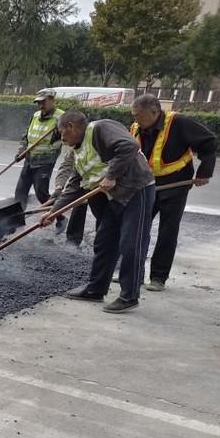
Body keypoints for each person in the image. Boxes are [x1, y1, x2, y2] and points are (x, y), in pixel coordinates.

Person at [43, 111, 155, 314]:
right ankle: (96, 289)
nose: (62, 138)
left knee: (131, 242)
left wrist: (111, 176)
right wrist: (53, 212)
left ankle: (129, 296)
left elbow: (129, 146)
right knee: (104, 241)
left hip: (136, 190)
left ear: (71, 126)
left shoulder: (101, 128)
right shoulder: (79, 150)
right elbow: (76, 185)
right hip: (114, 198)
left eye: (62, 133)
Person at [129, 94, 216, 291]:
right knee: (137, 229)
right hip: (146, 185)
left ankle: (159, 277)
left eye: (138, 116)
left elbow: (208, 143)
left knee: (167, 231)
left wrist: (204, 172)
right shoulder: (136, 127)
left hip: (175, 185)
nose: (135, 120)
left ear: (154, 112)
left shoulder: (179, 123)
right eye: (134, 116)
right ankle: (134, 272)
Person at [15, 89, 64, 210]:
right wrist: (22, 149)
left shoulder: (61, 117)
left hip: (45, 161)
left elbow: (66, 137)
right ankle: (15, 222)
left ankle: (58, 215)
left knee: (41, 193)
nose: (40, 105)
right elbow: (26, 135)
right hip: (30, 159)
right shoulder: (36, 115)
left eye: (43, 102)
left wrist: (59, 131)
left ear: (52, 100)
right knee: (20, 192)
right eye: (38, 103)